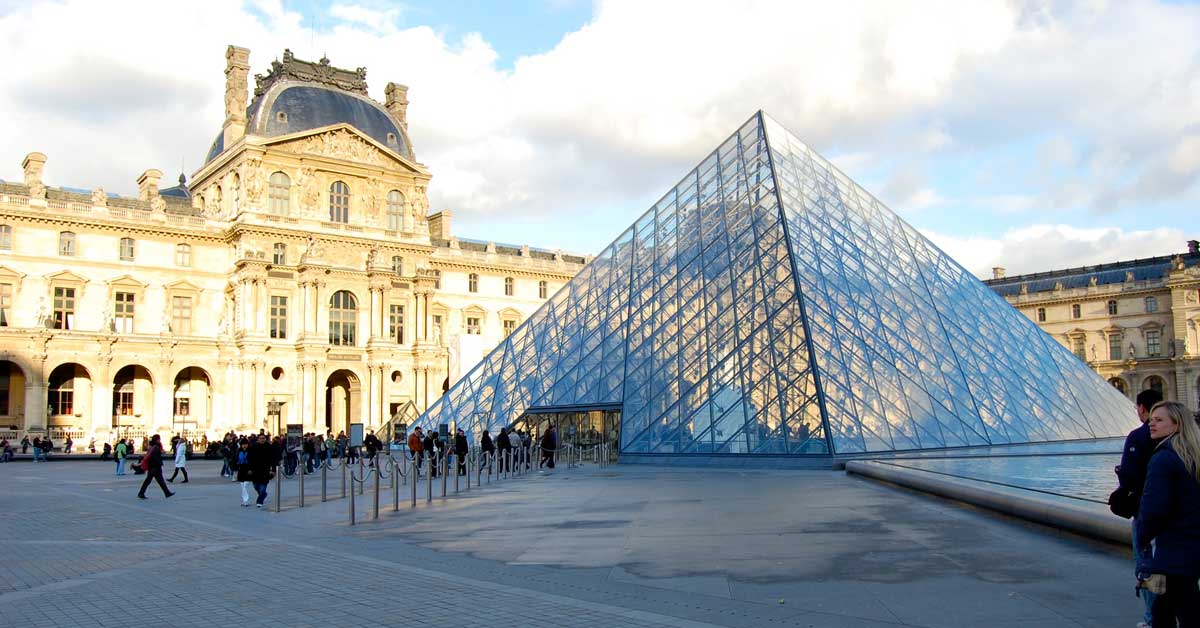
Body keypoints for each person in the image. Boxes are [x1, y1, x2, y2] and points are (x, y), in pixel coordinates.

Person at [1136, 401, 1200, 626]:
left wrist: (1143, 536)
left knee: (1165, 612)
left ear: (1176, 424)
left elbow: (1154, 507)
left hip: (1172, 549)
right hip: (1192, 546)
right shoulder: (1192, 456)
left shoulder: (1163, 459)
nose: (1151, 424)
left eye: (1159, 420)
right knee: (1185, 607)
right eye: (1152, 419)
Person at [1116, 388, 1164, 627]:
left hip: (1145, 511)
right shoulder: (1181, 438)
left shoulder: (1137, 437)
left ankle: (1152, 618)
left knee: (1146, 564)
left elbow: (1128, 477)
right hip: (1174, 516)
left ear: (1142, 408)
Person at [137, 435, 174, 500]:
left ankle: (141, 493)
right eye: (159, 439)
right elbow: (155, 457)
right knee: (159, 480)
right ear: (157, 440)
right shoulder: (156, 447)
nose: (160, 440)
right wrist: (159, 463)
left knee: (149, 480)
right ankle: (167, 493)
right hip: (155, 467)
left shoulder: (152, 447)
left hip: (151, 466)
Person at [247, 434, 276, 508]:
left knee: (263, 486)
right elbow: (249, 458)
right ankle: (263, 494)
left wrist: (273, 469)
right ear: (258, 439)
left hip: (265, 470)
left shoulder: (269, 447)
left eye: (263, 438)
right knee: (256, 486)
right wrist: (249, 468)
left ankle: (260, 501)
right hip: (255, 470)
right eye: (260, 438)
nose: (262, 439)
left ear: (265, 439)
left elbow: (273, 459)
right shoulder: (254, 447)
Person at [235, 439, 254, 506]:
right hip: (241, 469)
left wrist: (251, 469)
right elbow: (236, 460)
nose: (244, 446)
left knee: (246, 484)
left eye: (246, 444)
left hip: (248, 469)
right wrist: (236, 468)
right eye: (243, 444)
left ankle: (246, 500)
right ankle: (244, 500)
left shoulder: (251, 451)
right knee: (242, 485)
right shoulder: (239, 451)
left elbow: (253, 461)